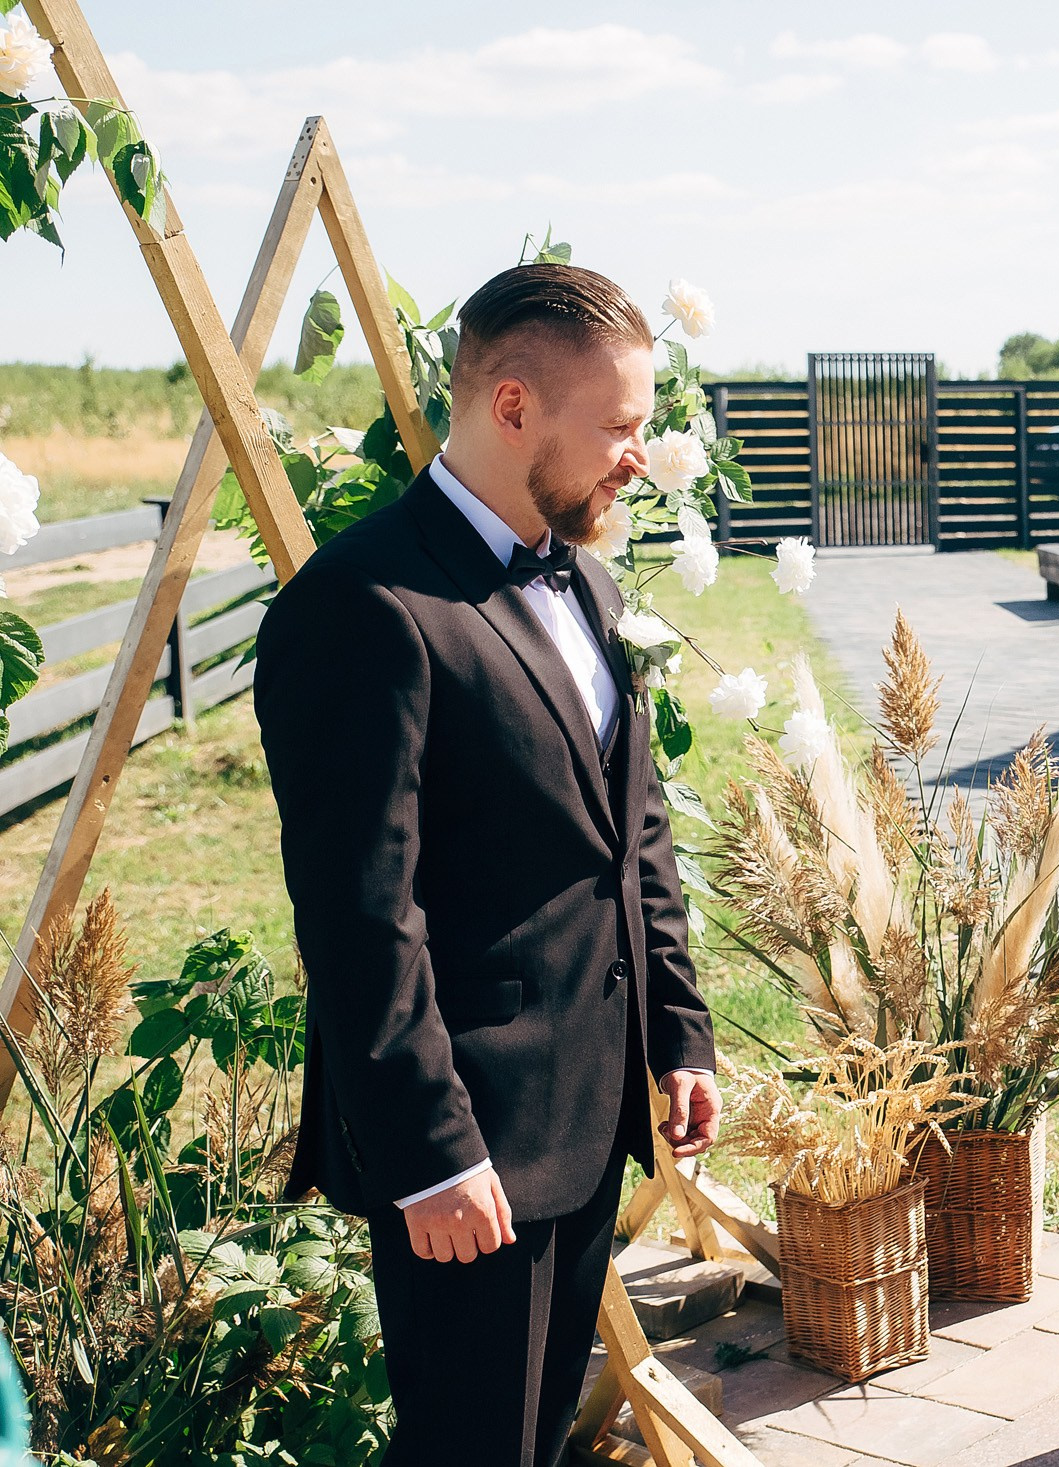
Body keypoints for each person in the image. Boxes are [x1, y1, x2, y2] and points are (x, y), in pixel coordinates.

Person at [255, 264, 722, 1467]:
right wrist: (431, 1157)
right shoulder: (362, 609)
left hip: (585, 1111)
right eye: (618, 426)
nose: (637, 454)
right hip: (469, 1148)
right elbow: (362, 917)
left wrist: (674, 1032)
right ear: (512, 408)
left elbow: (636, 832)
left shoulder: (591, 580)